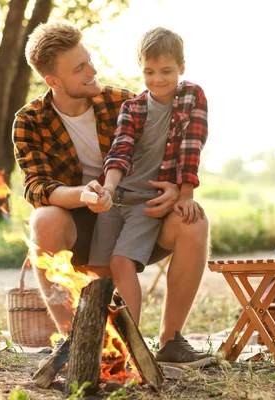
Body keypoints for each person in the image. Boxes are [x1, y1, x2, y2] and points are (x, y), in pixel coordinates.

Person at [13, 22, 214, 367]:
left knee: (192, 220)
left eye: (88, 60)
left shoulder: (125, 102)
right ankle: (75, 343)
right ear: (54, 81)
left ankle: (170, 341)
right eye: (80, 69)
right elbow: (36, 188)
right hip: (81, 226)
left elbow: (181, 145)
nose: (93, 71)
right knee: (43, 219)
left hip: (139, 214)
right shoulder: (30, 120)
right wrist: (84, 195)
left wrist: (175, 190)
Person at [84, 27, 208, 335]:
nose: (158, 79)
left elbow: (192, 145)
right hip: (118, 197)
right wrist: (108, 189)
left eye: (166, 71)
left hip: (146, 202)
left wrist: (186, 195)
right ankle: (97, 341)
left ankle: (130, 342)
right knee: (99, 270)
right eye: (149, 72)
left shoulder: (192, 97)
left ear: (181, 67)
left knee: (122, 263)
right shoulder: (133, 107)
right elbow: (120, 150)